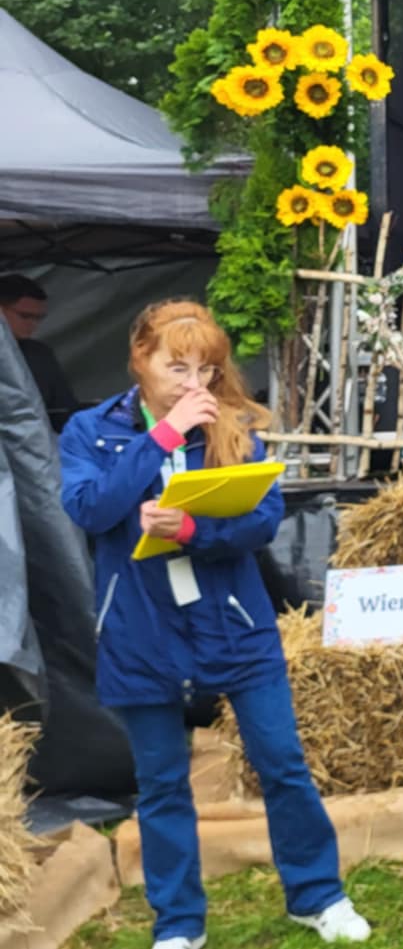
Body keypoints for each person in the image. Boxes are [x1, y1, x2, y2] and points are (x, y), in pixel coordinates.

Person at [58, 300, 369, 949]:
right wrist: (162, 437)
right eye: (178, 367)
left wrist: (194, 530)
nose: (195, 383)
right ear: (139, 359)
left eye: (206, 369)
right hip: (140, 629)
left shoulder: (233, 425)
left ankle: (318, 895)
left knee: (282, 762)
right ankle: (179, 924)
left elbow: (262, 520)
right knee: (162, 782)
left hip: (232, 621)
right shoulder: (90, 430)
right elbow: (89, 509)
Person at [0, 274, 79, 427]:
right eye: (25, 316)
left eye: (38, 318)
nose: (33, 324)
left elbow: (64, 408)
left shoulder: (40, 354)